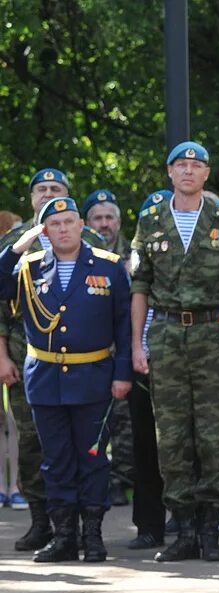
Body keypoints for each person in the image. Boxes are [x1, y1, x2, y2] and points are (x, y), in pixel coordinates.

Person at [130, 141, 219, 563]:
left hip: (210, 334)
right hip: (164, 334)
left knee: (214, 433)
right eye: (181, 165)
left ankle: (210, 529)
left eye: (196, 165)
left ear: (206, 173)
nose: (188, 171)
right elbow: (140, 285)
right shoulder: (150, 220)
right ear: (169, 172)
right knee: (172, 435)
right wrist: (136, 343)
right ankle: (182, 529)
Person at [0, 197, 132, 563]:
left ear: (81, 225)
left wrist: (123, 374)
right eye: (54, 224)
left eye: (69, 222)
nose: (63, 229)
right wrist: (19, 245)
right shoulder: (27, 267)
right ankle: (63, 537)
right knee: (55, 460)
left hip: (93, 376)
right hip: (45, 378)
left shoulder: (108, 266)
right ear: (44, 231)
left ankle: (92, 534)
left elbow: (124, 324)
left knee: (92, 459)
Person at [125, 191, 171, 551]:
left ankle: (188, 520)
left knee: (185, 442)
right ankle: (149, 526)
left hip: (180, 358)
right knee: (145, 445)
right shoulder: (130, 265)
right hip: (144, 360)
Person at [82, 188, 134, 506]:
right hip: (92, 349)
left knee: (126, 419)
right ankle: (96, 478)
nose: (104, 224)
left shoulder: (136, 251)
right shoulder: (80, 254)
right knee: (93, 417)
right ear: (87, 223)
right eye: (97, 218)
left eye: (109, 217)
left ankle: (122, 479)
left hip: (127, 345)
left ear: (118, 221)